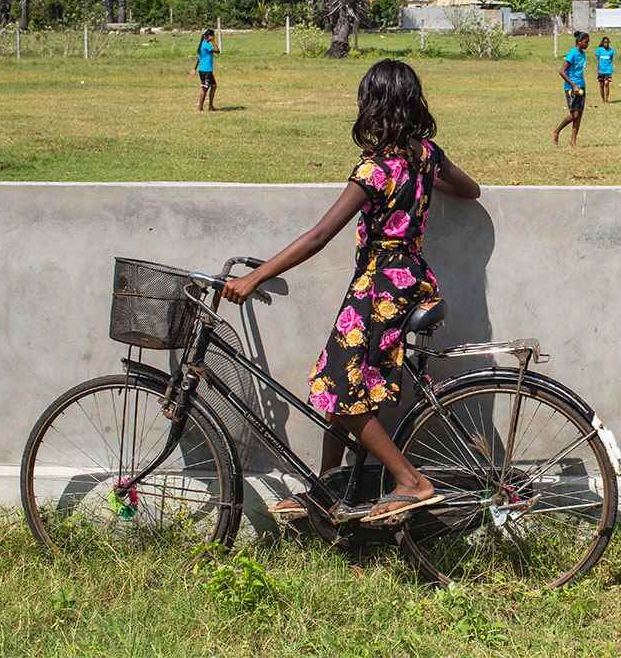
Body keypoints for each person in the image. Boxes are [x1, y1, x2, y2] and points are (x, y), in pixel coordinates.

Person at [222, 59, 481, 523]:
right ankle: (328, 489)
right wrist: (421, 180)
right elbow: (471, 190)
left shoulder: (375, 170)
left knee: (334, 386)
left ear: (374, 107)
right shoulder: (426, 155)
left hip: (378, 287)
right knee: (343, 386)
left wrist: (253, 278)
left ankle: (411, 481)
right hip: (411, 280)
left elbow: (318, 236)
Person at [553, 31, 589, 147]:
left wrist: (580, 85)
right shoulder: (572, 53)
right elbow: (561, 71)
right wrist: (573, 85)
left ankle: (573, 141)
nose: (587, 44)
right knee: (574, 115)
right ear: (579, 42)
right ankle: (556, 131)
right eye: (585, 42)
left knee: (580, 115)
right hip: (571, 88)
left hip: (581, 86)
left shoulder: (583, 54)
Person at [188, 28, 220, 112]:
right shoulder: (206, 44)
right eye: (213, 35)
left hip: (205, 70)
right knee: (205, 89)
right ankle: (200, 108)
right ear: (209, 36)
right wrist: (213, 41)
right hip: (206, 70)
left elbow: (199, 58)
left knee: (213, 86)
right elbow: (217, 51)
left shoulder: (202, 44)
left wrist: (194, 68)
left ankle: (210, 106)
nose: (214, 37)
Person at [594, 36, 615, 104]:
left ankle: (606, 99)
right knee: (601, 85)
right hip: (601, 71)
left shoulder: (611, 51)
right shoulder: (599, 50)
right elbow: (597, 60)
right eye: (605, 42)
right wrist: (597, 69)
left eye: (607, 42)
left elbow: (611, 60)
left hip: (608, 70)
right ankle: (603, 99)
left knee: (606, 84)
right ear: (603, 43)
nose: (606, 44)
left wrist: (612, 68)